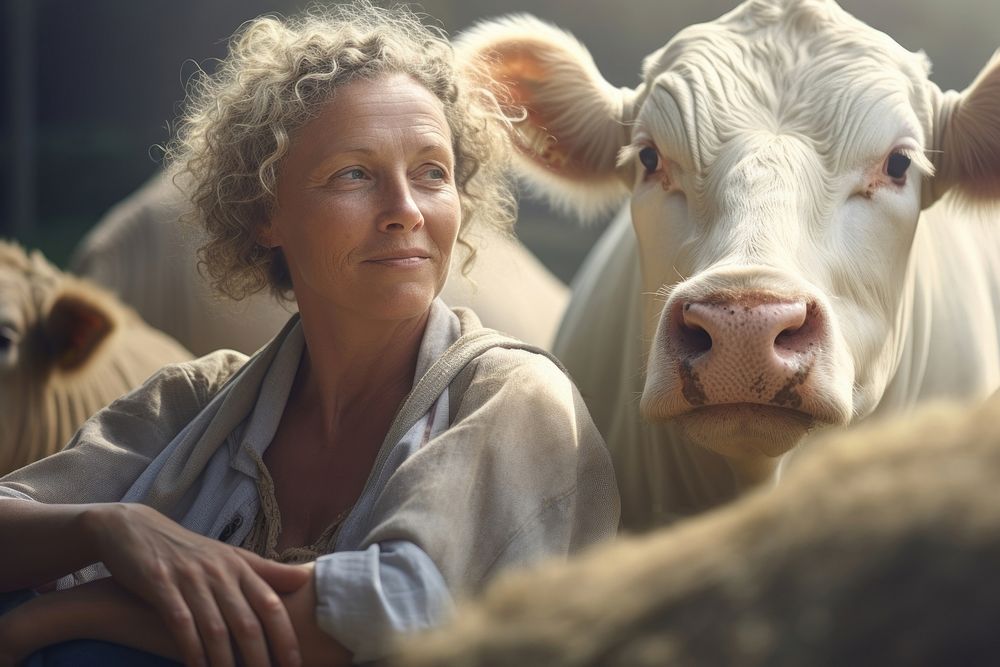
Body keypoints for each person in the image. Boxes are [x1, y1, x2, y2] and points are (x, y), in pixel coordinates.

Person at [0, 3, 620, 665]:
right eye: (355, 174)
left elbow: (395, 613)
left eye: (432, 173)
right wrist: (110, 526)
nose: (405, 211)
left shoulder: (514, 397)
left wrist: (75, 610)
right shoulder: (193, 400)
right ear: (266, 211)